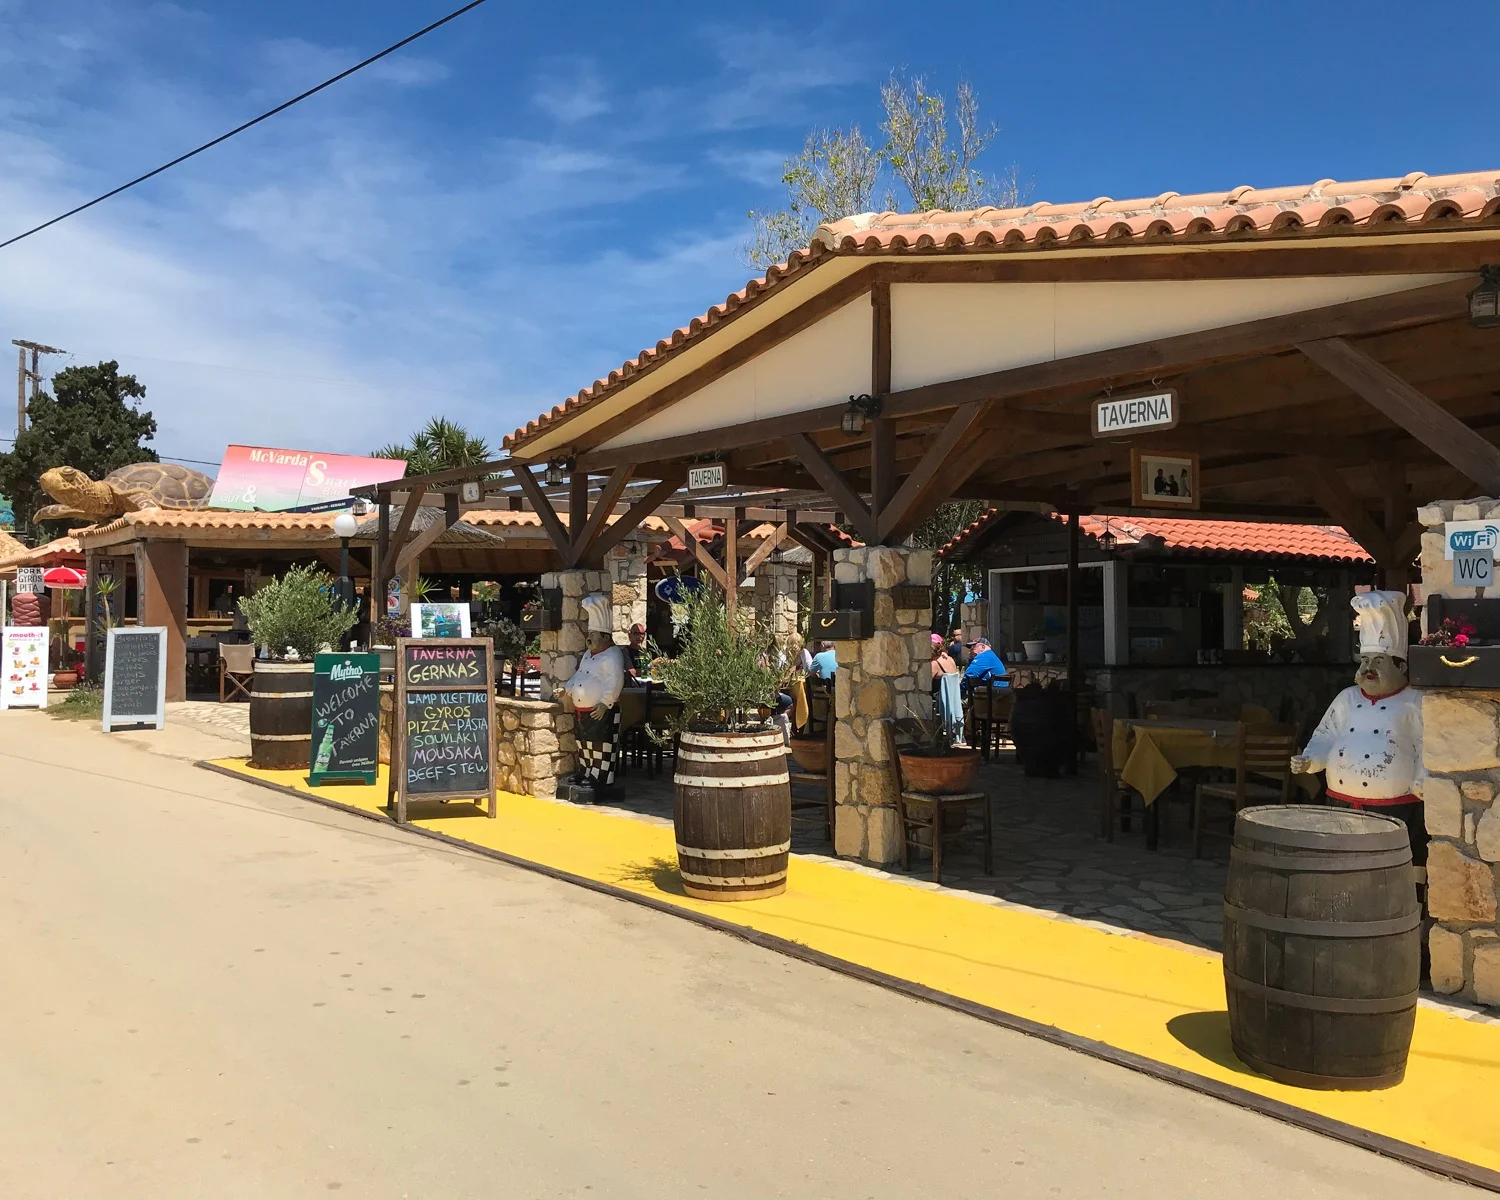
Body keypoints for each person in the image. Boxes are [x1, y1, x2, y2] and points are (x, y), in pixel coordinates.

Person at [1292, 591, 1425, 865]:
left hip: (1396, 809)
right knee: (1342, 867)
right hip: (1341, 805)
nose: (1369, 669)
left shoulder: (1415, 701)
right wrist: (1310, 760)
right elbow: (1326, 734)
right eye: (1365, 661)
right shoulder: (1347, 698)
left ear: (1400, 667)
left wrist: (1422, 780)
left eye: (1379, 662)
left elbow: (1428, 744)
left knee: (1391, 871)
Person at [559, 595, 627, 802]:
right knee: (584, 743)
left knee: (601, 744)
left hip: (601, 711)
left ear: (605, 637)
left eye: (594, 634)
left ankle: (601, 777)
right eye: (589, 634)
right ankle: (586, 771)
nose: (589, 638)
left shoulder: (613, 655)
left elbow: (615, 681)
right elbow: (580, 676)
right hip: (583, 711)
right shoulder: (588, 655)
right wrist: (566, 689)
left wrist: (605, 703)